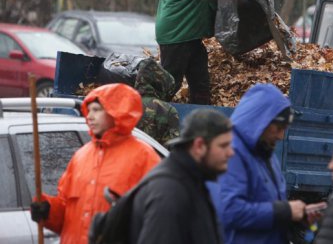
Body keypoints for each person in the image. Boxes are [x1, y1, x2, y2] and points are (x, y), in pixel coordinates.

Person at [30, 83, 160, 244]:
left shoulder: (144, 157)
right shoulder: (81, 156)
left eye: (97, 110)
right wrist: (48, 211)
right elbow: (66, 214)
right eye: (89, 110)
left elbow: (157, 218)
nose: (89, 116)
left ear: (116, 112)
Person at [129, 108, 234, 243]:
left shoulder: (193, 181)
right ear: (199, 146)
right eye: (223, 145)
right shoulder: (169, 192)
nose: (231, 152)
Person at [218, 83, 306, 244]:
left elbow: (269, 202)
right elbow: (229, 211)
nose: (281, 136)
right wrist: (285, 212)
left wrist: (295, 218)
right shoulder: (232, 152)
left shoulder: (265, 152)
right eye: (278, 128)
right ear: (261, 121)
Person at [134, 59, 180, 145]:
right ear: (160, 84)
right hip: (155, 157)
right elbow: (173, 147)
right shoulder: (167, 110)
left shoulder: (124, 103)